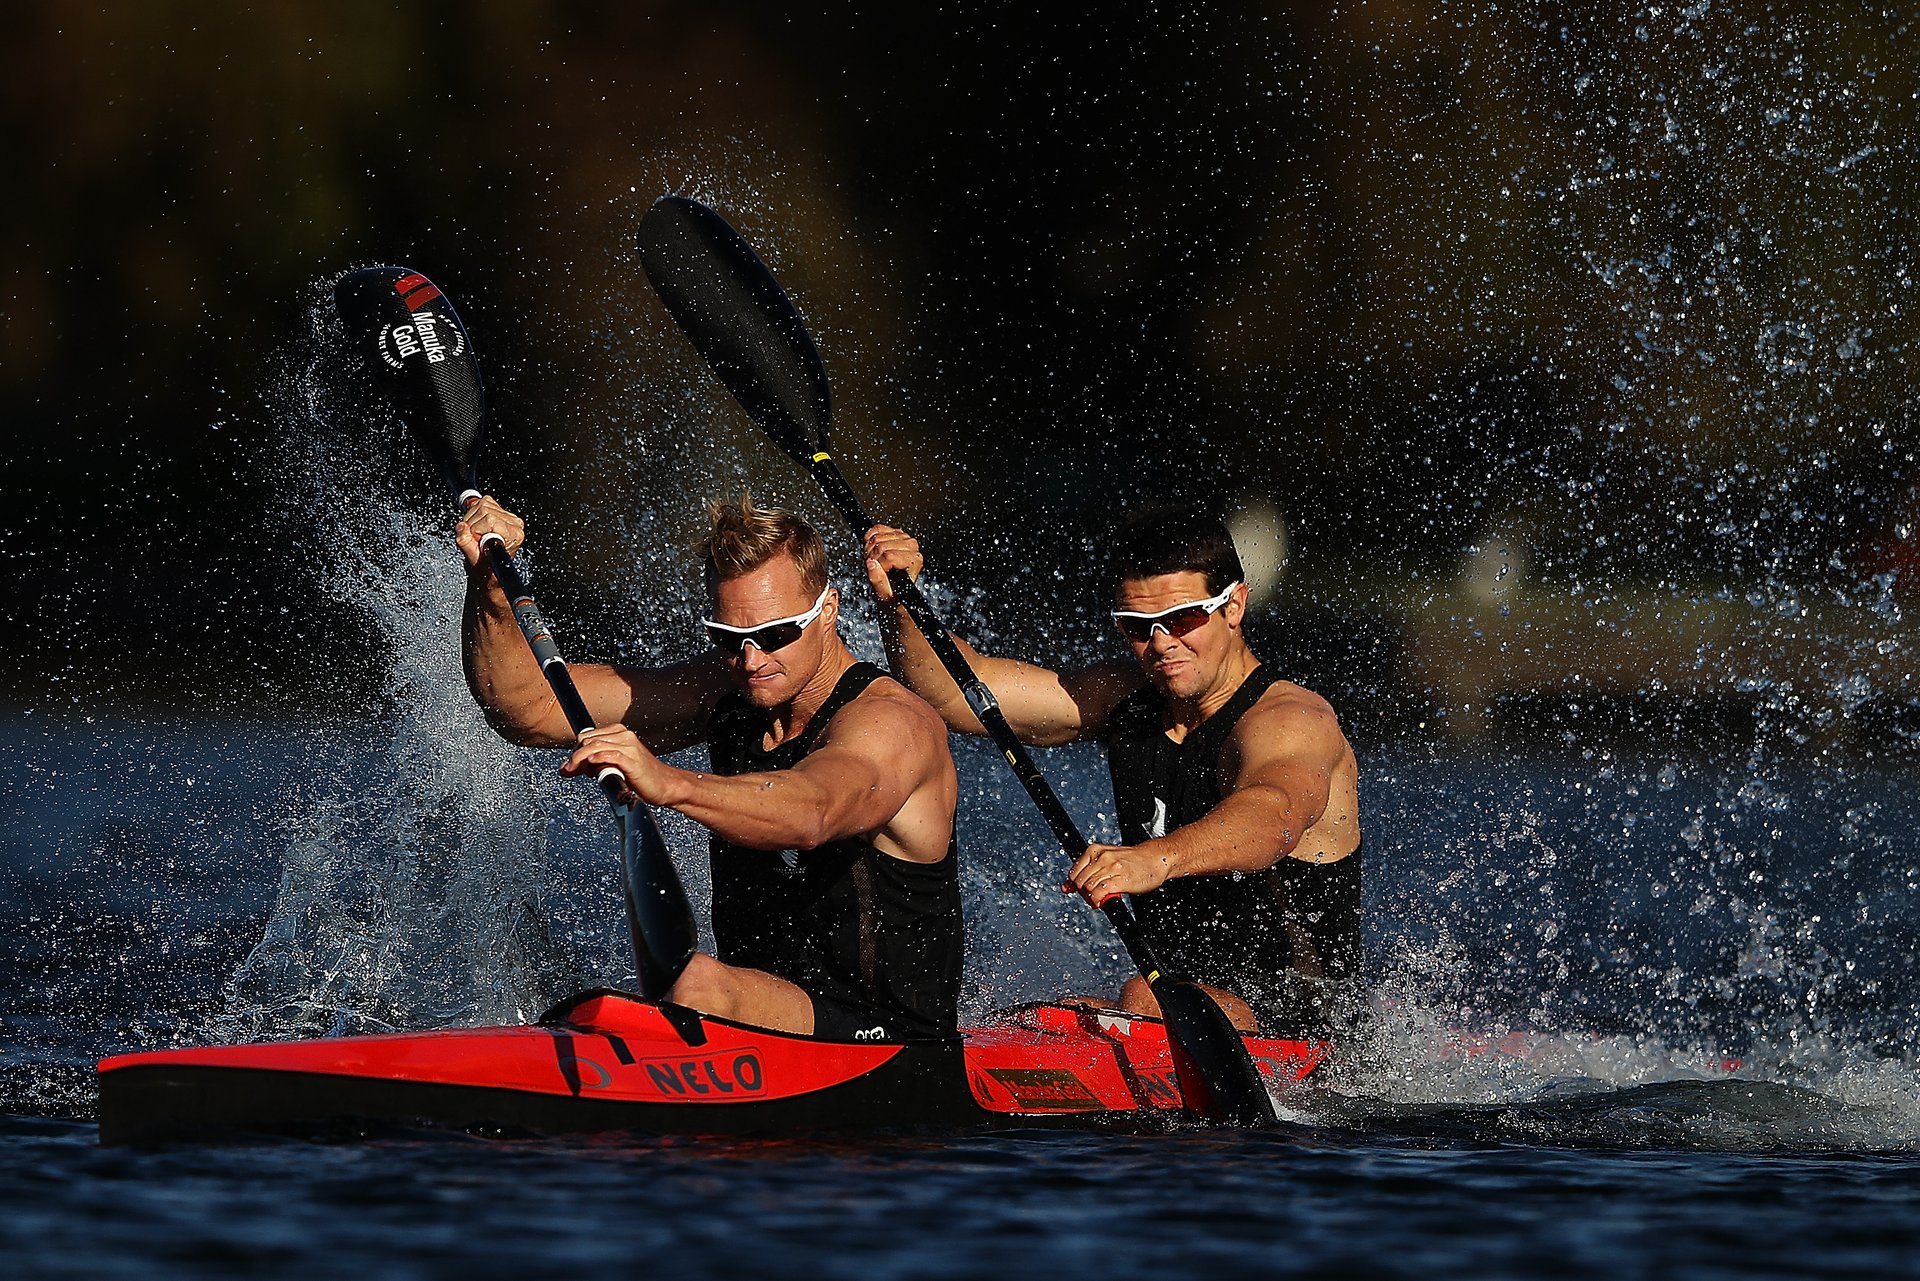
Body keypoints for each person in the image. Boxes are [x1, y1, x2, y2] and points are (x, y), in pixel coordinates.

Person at [459, 491, 963, 1042]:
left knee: (696, 983)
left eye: (775, 636)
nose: (751, 661)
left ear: (829, 610)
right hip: (760, 1016)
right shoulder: (729, 691)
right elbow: (525, 709)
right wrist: (490, 586)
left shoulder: (893, 724)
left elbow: (813, 811)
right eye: (729, 639)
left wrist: (669, 783)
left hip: (891, 1038)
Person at [863, 503, 1361, 1036]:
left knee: (1140, 995)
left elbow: (1272, 816)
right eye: (1137, 627)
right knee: (1060, 1012)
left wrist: (1155, 860)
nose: (1163, 644)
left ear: (1234, 605)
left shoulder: (1290, 721)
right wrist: (902, 603)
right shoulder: (1127, 700)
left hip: (1309, 1030)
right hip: (1182, 1003)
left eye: (1184, 619)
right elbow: (958, 693)